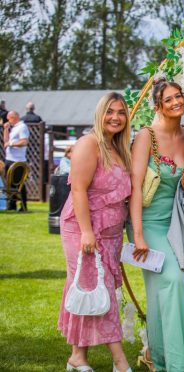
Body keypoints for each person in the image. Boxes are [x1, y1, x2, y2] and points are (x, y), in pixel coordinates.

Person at [57, 92, 133, 372]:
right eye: (109, 112)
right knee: (98, 290)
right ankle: (120, 362)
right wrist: (87, 232)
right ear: (100, 115)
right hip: (83, 228)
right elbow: (77, 189)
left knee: (91, 289)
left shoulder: (120, 148)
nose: (115, 117)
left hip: (112, 233)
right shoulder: (89, 144)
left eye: (121, 112)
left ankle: (77, 356)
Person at [128, 78, 184, 371]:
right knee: (170, 281)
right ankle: (179, 364)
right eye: (168, 99)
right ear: (158, 106)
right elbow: (134, 187)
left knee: (169, 287)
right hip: (147, 223)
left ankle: (156, 356)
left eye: (178, 97)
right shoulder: (147, 136)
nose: (176, 102)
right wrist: (139, 235)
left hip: (178, 223)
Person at [3, 110, 30, 211]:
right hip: (9, 159)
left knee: (19, 184)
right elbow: (6, 142)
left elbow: (24, 141)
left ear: (14, 117)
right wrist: (6, 129)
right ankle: (12, 205)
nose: (8, 121)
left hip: (18, 160)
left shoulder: (22, 127)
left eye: (9, 119)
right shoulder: (13, 128)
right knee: (10, 184)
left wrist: (11, 144)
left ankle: (23, 206)